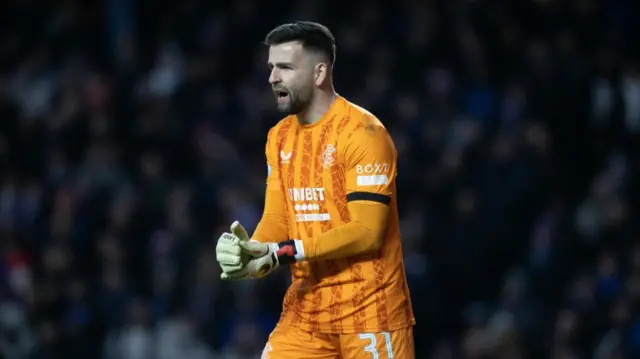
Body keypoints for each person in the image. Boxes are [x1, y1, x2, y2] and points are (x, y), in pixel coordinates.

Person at [216, 21, 415, 359]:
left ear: (319, 72)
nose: (272, 78)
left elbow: (367, 232)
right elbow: (279, 218)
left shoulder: (364, 134)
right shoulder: (278, 138)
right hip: (305, 315)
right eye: (271, 68)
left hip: (371, 313)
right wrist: (255, 251)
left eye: (285, 67)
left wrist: (284, 251)